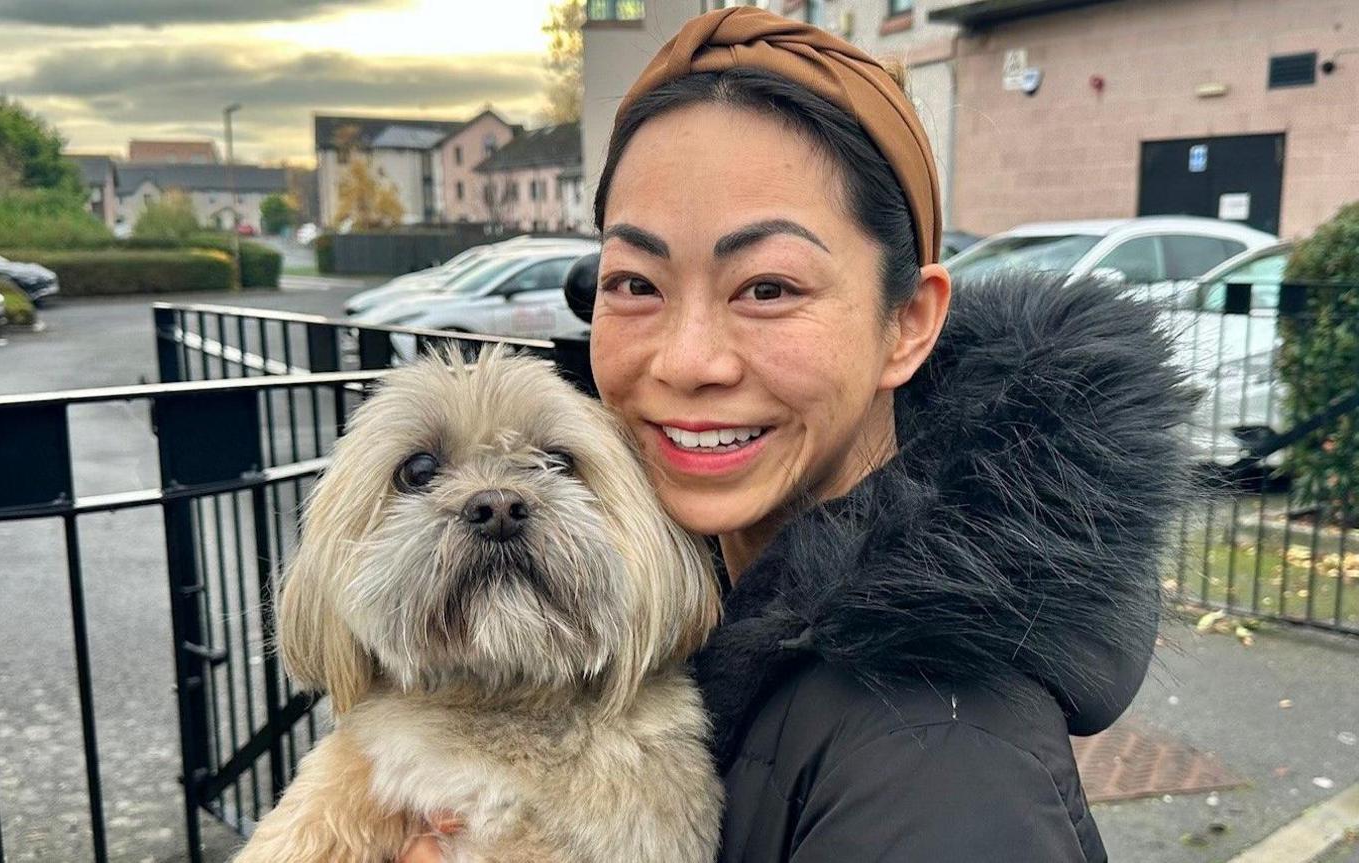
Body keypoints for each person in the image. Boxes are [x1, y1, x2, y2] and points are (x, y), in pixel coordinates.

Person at [402, 8, 1192, 861]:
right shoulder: (695, 602)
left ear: (908, 324)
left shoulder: (937, 763)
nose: (688, 359)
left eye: (768, 287)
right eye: (635, 282)